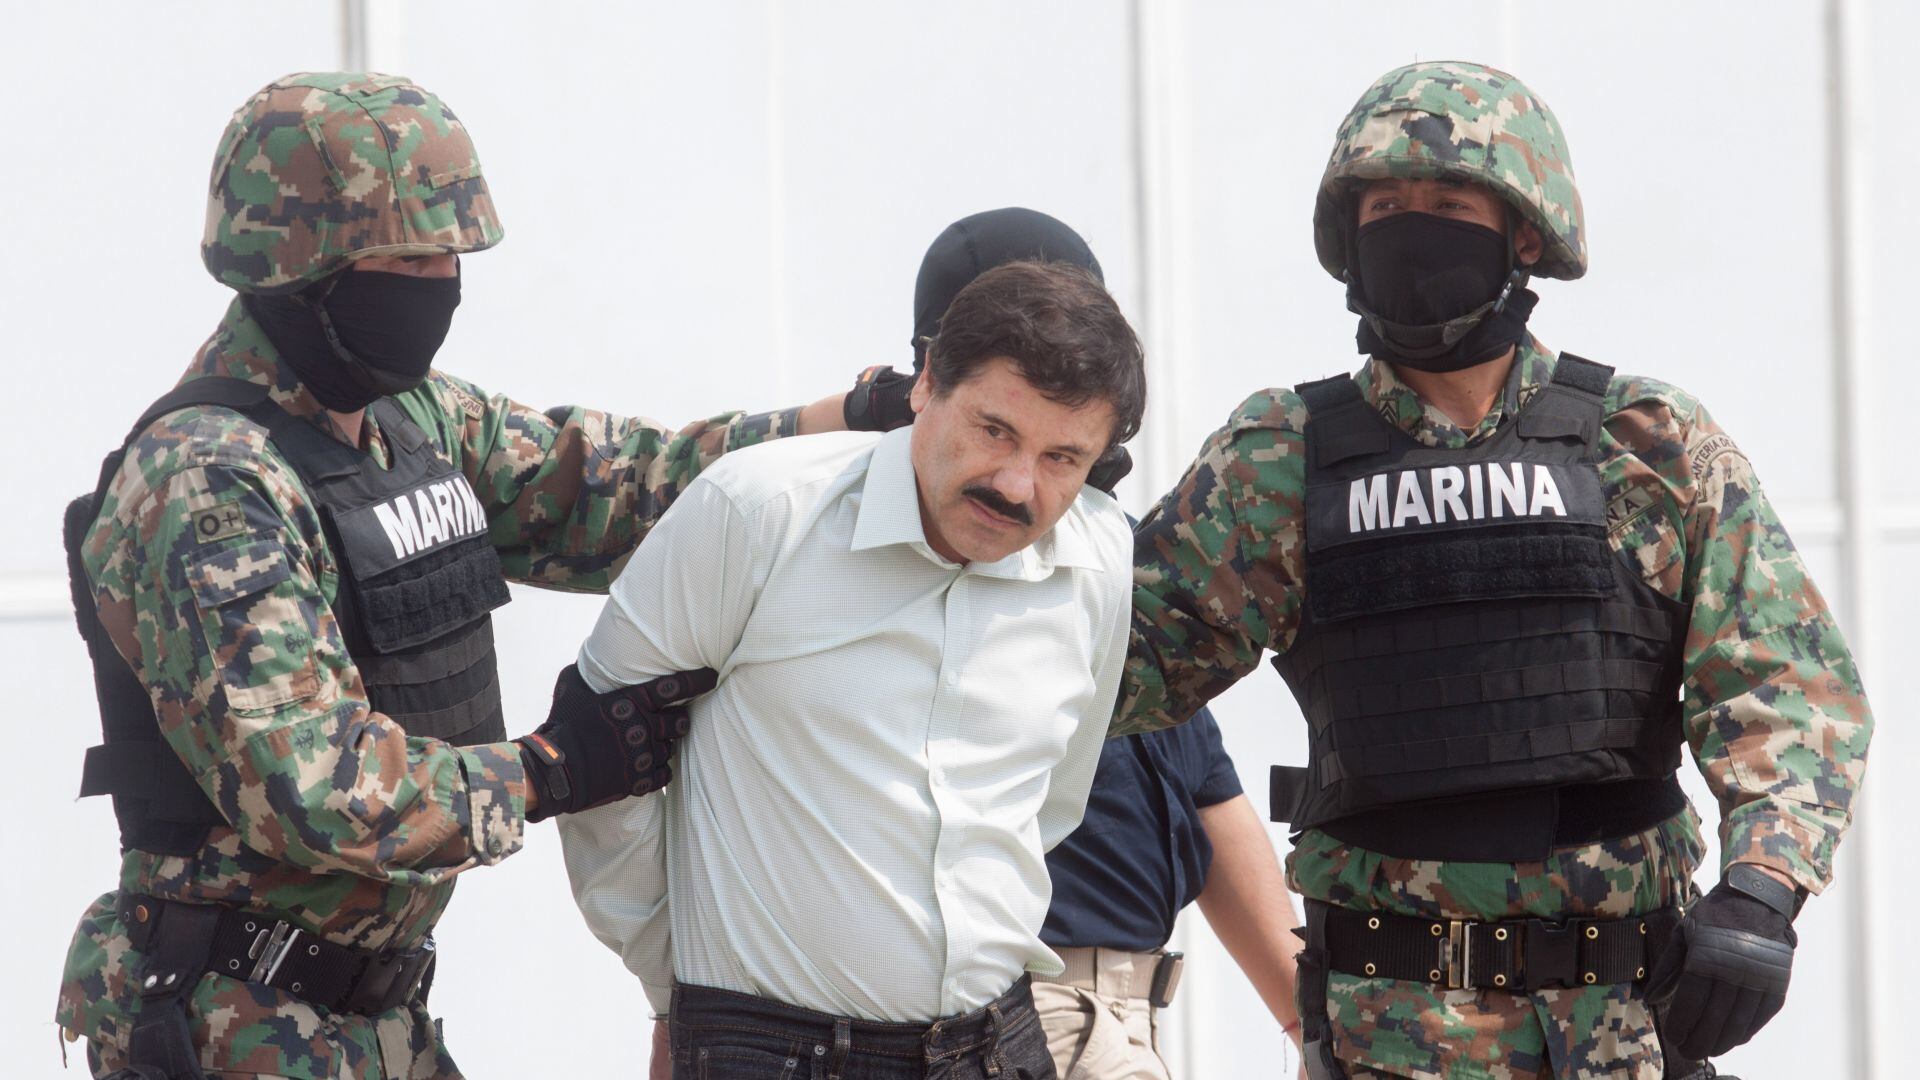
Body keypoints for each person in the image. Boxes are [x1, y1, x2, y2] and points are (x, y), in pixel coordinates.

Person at [56, 71, 855, 1080]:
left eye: (450, 256)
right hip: (235, 1023)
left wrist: (854, 424)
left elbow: (615, 488)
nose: (439, 284)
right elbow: (316, 785)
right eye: (406, 258)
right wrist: (552, 769)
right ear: (299, 265)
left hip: (368, 1020)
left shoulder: (406, 418)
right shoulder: (208, 480)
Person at [1111, 62, 1873, 1079]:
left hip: (1623, 1030)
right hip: (1392, 1035)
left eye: (1448, 204)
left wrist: (1763, 892)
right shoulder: (1279, 459)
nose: (1412, 230)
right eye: (1385, 207)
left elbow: (1786, 685)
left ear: (1525, 232)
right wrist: (1031, 516)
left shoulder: (1647, 444)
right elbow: (1113, 667)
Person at [558, 259, 1146, 1079]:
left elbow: (1051, 801)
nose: (1018, 485)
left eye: (1063, 459)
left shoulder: (1100, 555)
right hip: (772, 1055)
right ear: (926, 383)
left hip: (1004, 1045)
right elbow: (597, 760)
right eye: (995, 431)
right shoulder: (757, 514)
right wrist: (677, 992)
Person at [869, 208, 1307, 1079]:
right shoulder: (893, 553)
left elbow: (1206, 792)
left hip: (1120, 1021)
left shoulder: (1106, 554)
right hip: (994, 1014)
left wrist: (1313, 1024)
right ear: (937, 371)